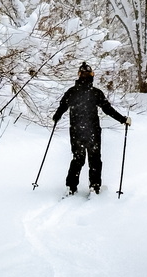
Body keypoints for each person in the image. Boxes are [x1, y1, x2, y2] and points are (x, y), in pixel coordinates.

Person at [52, 62, 129, 195]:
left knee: (78, 158)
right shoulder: (95, 93)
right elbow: (107, 109)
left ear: (79, 75)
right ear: (92, 76)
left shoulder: (72, 92)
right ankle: (94, 186)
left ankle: (71, 186)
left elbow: (62, 106)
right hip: (92, 131)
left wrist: (56, 116)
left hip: (76, 131)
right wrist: (123, 119)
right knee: (94, 159)